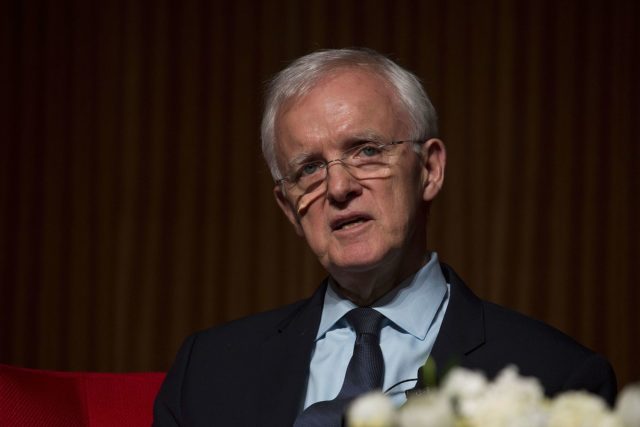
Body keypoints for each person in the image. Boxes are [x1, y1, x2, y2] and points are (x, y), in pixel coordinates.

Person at [153, 48, 616, 426]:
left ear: (430, 170)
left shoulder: (556, 379)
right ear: (288, 208)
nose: (338, 187)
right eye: (309, 168)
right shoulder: (208, 371)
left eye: (367, 151)